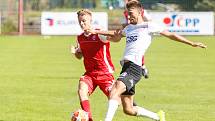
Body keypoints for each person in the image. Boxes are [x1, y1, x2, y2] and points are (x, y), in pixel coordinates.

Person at [87, 1, 207, 121]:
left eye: (131, 13)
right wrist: (96, 31)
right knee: (128, 109)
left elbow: (170, 35)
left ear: (140, 12)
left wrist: (192, 43)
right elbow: (115, 34)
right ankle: (158, 117)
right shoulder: (128, 28)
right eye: (127, 14)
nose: (128, 16)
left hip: (134, 68)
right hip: (126, 67)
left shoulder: (149, 26)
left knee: (114, 91)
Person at [70, 9, 116, 121]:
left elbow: (115, 36)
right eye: (80, 21)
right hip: (90, 74)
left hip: (105, 74)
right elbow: (80, 56)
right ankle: (89, 119)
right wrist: (76, 52)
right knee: (82, 89)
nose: (82, 23)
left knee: (122, 102)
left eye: (84, 21)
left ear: (91, 20)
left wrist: (98, 32)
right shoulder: (80, 38)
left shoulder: (99, 33)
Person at [123, 0, 151, 78]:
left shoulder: (139, 11)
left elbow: (149, 19)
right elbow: (125, 23)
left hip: (140, 33)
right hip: (131, 32)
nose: (124, 2)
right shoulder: (126, 12)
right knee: (133, 51)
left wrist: (143, 26)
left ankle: (142, 67)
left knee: (137, 51)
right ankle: (143, 67)